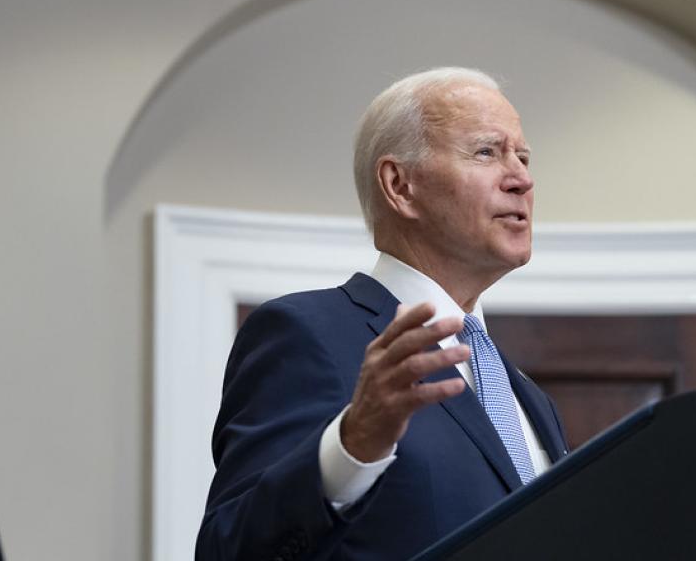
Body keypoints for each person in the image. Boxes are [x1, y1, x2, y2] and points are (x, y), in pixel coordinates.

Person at [196, 67, 570, 560]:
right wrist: (349, 447)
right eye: (487, 152)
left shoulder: (528, 397)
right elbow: (230, 552)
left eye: (522, 157)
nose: (522, 179)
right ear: (400, 186)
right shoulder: (308, 334)